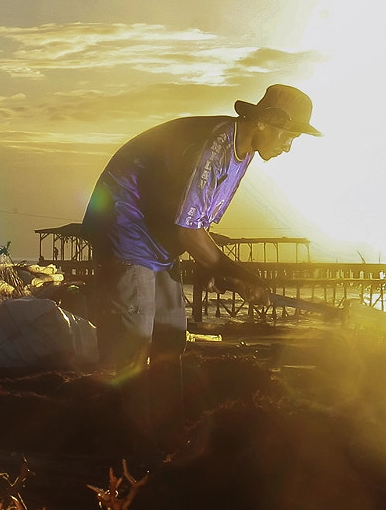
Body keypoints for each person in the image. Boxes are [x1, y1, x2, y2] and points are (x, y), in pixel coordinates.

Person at [81, 83, 320, 376]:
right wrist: (240, 275)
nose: (288, 146)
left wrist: (212, 267)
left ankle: (161, 418)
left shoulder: (243, 150)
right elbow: (188, 232)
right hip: (125, 230)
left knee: (170, 338)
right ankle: (109, 414)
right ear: (264, 121)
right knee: (132, 343)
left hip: (158, 241)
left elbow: (197, 219)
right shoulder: (215, 145)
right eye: (289, 136)